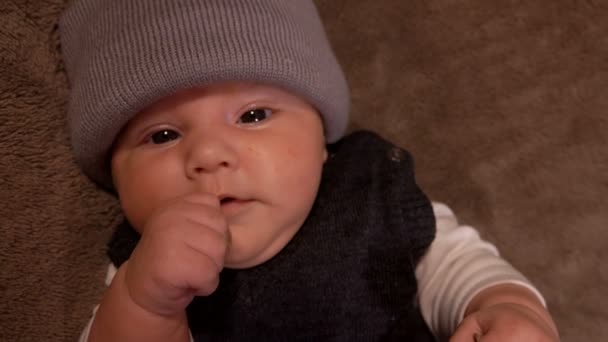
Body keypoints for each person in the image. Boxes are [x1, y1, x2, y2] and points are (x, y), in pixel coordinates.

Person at [59, 1, 559, 341]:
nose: (209, 156)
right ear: (115, 175)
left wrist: (509, 308)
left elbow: (453, 263)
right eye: (162, 135)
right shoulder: (142, 271)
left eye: (254, 115)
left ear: (322, 139)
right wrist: (147, 307)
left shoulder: (369, 191)